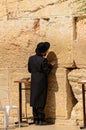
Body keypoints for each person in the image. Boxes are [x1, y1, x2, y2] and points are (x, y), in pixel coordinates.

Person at [28, 42, 56, 125]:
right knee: (41, 101)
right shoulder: (43, 60)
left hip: (34, 81)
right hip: (41, 82)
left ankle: (35, 119)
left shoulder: (31, 58)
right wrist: (51, 65)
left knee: (34, 100)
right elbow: (47, 71)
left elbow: (29, 70)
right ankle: (41, 120)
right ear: (43, 52)